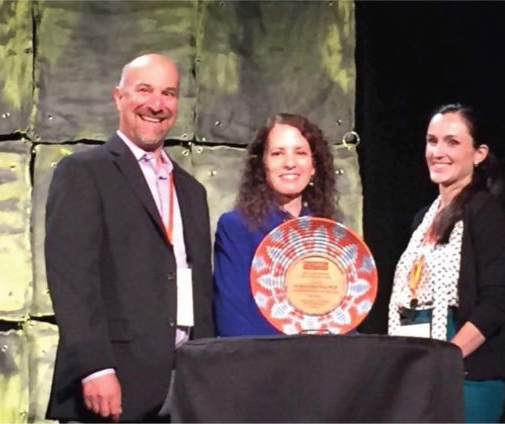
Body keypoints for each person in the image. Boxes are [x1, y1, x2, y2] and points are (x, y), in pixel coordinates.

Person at [44, 53, 214, 422]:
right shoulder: (84, 172)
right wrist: (95, 368)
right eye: (144, 90)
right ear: (118, 97)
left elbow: (197, 286)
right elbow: (72, 279)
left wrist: (205, 372)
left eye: (168, 93)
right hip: (112, 385)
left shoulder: (191, 190)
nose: (156, 104)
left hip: (181, 385)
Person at [388, 103, 505, 422]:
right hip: (420, 370)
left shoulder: (485, 214)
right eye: (432, 141)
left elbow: (495, 306)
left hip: (467, 375)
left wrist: (447, 358)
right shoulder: (422, 220)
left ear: (479, 153)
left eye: (452, 142)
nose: (438, 151)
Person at [213, 113, 338, 336]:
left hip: (322, 361)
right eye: (277, 153)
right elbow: (233, 320)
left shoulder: (330, 231)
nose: (290, 163)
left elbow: (344, 312)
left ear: (314, 166)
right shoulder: (236, 227)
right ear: (262, 165)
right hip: (262, 362)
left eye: (300, 153)